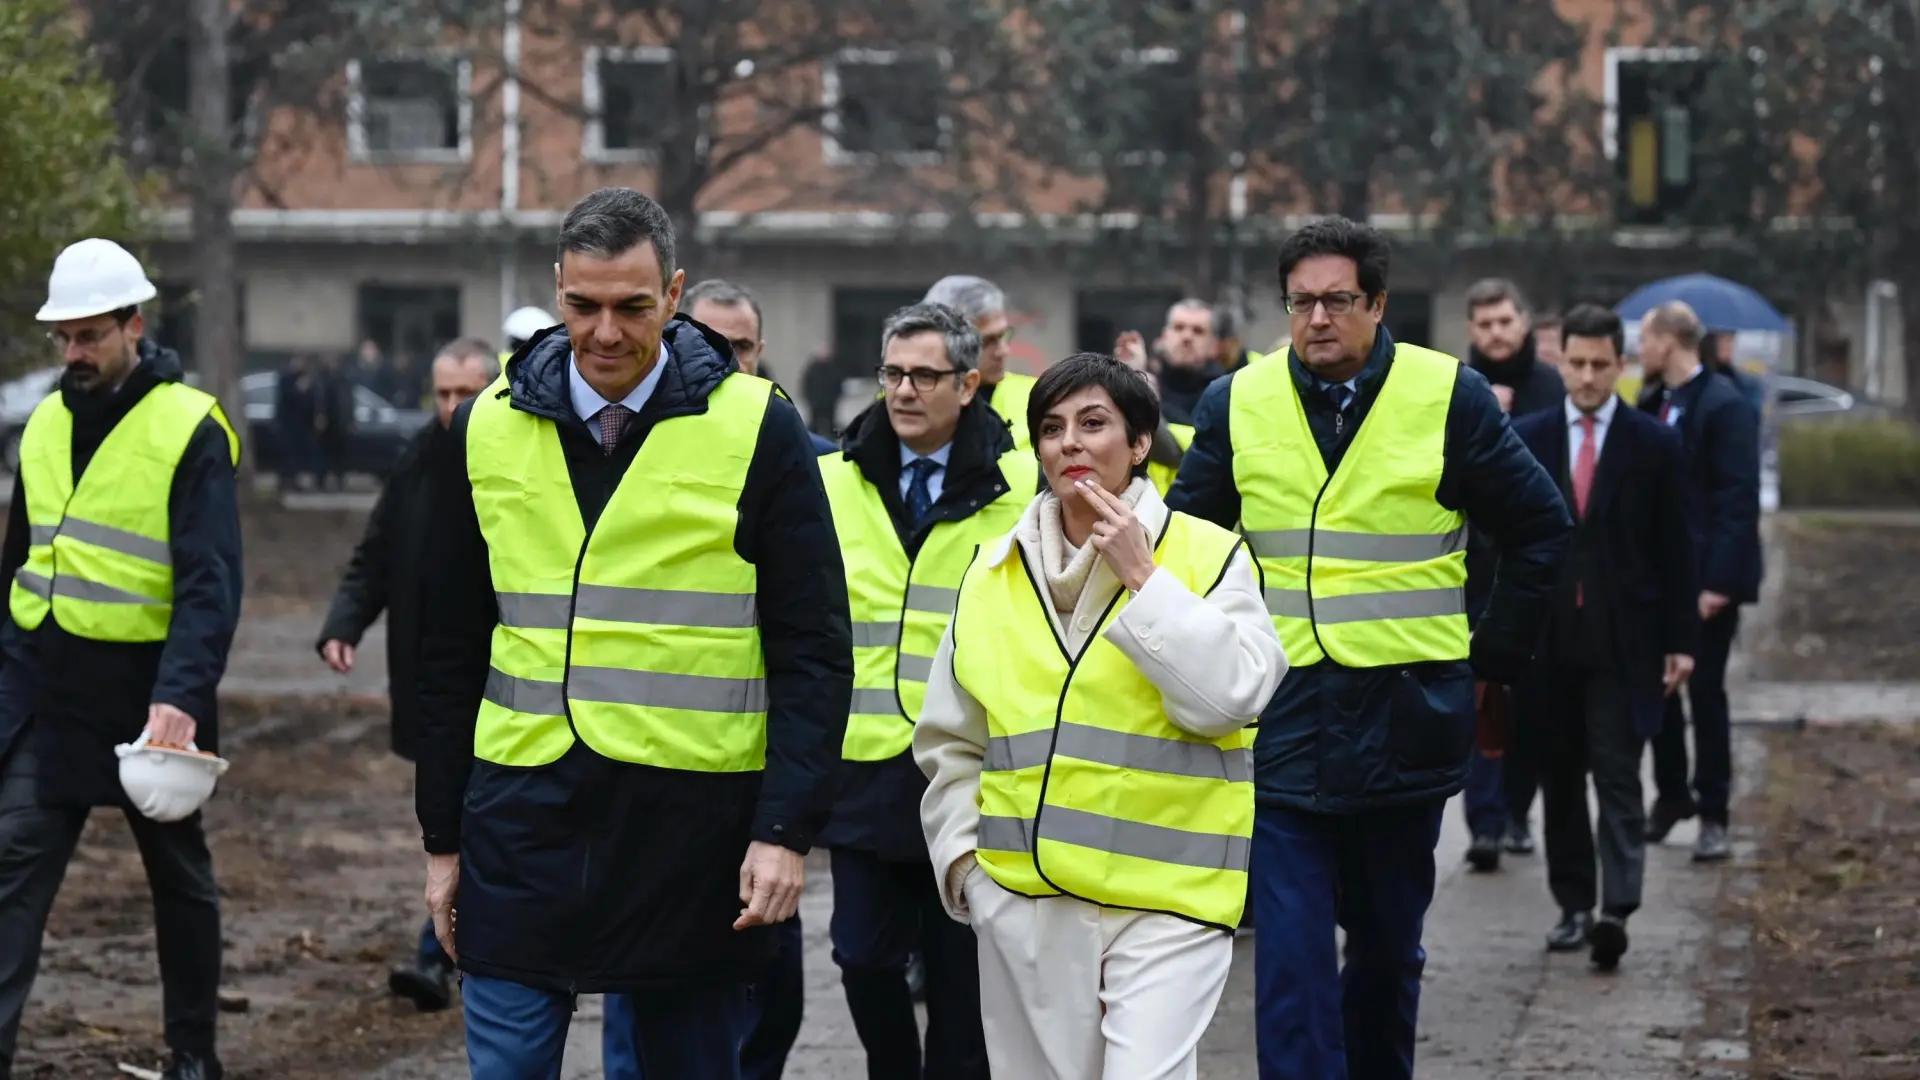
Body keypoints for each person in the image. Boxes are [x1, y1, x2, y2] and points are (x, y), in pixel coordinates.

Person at [412, 187, 852, 1079]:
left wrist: (785, 831)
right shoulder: (487, 426)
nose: (604, 333)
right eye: (582, 306)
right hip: (521, 812)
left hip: (689, 828)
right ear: (557, 288)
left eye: (632, 308)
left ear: (676, 293)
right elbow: (449, 645)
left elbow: (812, 648)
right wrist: (440, 839)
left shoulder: (758, 426)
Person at [1166, 217, 1572, 1080]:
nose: (1318, 318)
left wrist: (1493, 655)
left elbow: (1541, 527)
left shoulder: (1446, 395)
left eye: (1338, 300)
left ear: (1377, 304)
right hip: (1279, 722)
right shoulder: (1236, 402)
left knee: (1387, 953)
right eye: (1301, 301)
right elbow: (1189, 548)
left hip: (1406, 720)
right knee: (1290, 959)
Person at [916, 352, 1286, 1078]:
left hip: (1169, 899)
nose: (1070, 444)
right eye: (1051, 428)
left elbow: (1235, 697)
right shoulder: (991, 571)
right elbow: (950, 740)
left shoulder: (1209, 555)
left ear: (1140, 443)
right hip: (1027, 900)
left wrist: (1143, 578)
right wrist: (968, 870)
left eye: (1093, 424)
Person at [0, 238, 243, 1080]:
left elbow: (212, 583)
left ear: (134, 325)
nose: (74, 354)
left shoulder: (189, 427)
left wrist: (181, 696)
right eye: (63, 338)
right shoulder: (42, 423)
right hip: (47, 690)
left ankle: (193, 1055)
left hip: (150, 699)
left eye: (90, 336)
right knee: (12, 871)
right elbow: (17, 563)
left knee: (180, 881)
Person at [815, 302, 1031, 1080]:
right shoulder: (830, 481)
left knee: (962, 980)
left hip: (975, 771)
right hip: (865, 765)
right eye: (893, 374)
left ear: (969, 384)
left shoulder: (1023, 485)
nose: (904, 391)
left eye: (925, 376)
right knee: (862, 958)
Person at [1508, 303, 1697, 970]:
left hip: (1626, 638)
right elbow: (1506, 540)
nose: (1587, 377)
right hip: (1549, 639)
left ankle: (1618, 906)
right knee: (1560, 777)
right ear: (1562, 364)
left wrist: (1682, 641)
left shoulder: (1654, 443)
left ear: (1622, 366)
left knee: (1618, 772)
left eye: (1600, 365)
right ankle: (1574, 906)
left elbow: (1679, 548)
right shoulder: (1527, 437)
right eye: (1576, 364)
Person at [315, 337, 499, 1012]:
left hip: (493, 687)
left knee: (474, 823)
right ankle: (455, 950)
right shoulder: (417, 458)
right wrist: (344, 622)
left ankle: (441, 955)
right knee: (447, 822)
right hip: (427, 681)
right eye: (442, 394)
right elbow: (376, 552)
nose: (451, 407)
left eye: (466, 394)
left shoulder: (511, 461)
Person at [673, 277, 825, 1079]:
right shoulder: (638, 446)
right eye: (703, 341)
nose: (721, 361)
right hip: (660, 766)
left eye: (738, 347)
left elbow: (814, 635)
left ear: (761, 355)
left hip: (761, 767)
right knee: (660, 999)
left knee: (774, 989)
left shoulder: (794, 452)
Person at [1636, 301, 1761, 863]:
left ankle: (1714, 813)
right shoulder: (1652, 400)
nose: (1640, 350)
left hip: (1707, 579)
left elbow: (1737, 502)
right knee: (1657, 693)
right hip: (1658, 577)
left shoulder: (1725, 406)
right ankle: (1671, 796)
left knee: (1705, 694)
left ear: (1670, 340)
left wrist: (1718, 584)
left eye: (1646, 338)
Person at [1459, 278, 1564, 871]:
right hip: (1472, 568)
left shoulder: (1552, 389)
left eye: (1505, 321)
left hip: (1531, 566)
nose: (1496, 333)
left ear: (1523, 323)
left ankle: (1520, 810)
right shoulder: (1459, 390)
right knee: (1483, 699)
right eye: (1484, 325)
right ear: (1471, 332)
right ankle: (1487, 824)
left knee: (1532, 703)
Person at [685, 278, 836, 456]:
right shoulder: (649, 442)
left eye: (741, 347)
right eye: (709, 344)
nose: (728, 362)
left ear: (758, 351)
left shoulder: (814, 458)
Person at [923, 276, 1031, 449]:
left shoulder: (1040, 399)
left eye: (1003, 335)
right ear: (943, 343)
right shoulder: (900, 402)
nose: (1003, 351)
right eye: (986, 342)